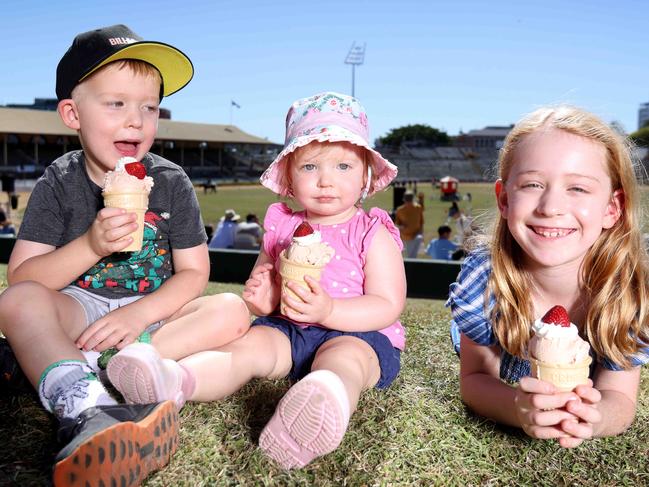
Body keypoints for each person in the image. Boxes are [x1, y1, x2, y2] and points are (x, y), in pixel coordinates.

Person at [0, 24, 250, 484]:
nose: (136, 119)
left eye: (149, 107)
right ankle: (86, 405)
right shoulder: (60, 180)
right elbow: (24, 277)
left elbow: (195, 273)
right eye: (116, 103)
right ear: (72, 114)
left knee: (232, 310)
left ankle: (103, 365)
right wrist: (91, 244)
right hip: (82, 309)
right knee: (15, 303)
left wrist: (140, 317)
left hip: (154, 319)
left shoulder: (171, 181)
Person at [105, 91, 406, 469]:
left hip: (358, 334)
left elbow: (387, 305)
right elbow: (259, 292)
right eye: (310, 167)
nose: (326, 181)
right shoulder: (282, 227)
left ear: (365, 175)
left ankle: (324, 398)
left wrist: (329, 309)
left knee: (343, 361)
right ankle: (175, 381)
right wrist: (262, 302)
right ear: (290, 179)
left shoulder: (371, 231)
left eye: (343, 167)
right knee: (246, 351)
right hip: (288, 329)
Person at [446, 105, 649, 448]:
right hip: (493, 335)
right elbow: (475, 378)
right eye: (533, 184)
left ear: (612, 208)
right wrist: (517, 409)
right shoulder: (484, 282)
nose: (550, 206)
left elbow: (619, 395)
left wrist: (593, 419)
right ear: (505, 199)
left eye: (578, 189)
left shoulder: (631, 291)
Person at [395, 189, 424, 258]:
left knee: (410, 257)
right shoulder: (400, 210)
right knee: (411, 257)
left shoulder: (417, 208)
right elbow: (397, 224)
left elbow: (421, 222)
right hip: (408, 237)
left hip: (414, 236)